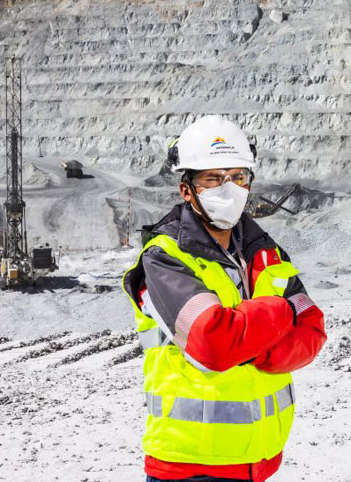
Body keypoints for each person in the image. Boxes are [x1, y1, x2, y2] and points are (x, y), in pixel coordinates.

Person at [122, 114, 327, 482]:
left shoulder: (265, 252)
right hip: (189, 467)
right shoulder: (166, 258)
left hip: (258, 462)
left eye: (237, 177)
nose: (228, 188)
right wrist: (279, 312)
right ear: (187, 190)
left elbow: (312, 331)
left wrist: (251, 345)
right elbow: (214, 342)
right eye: (213, 179)